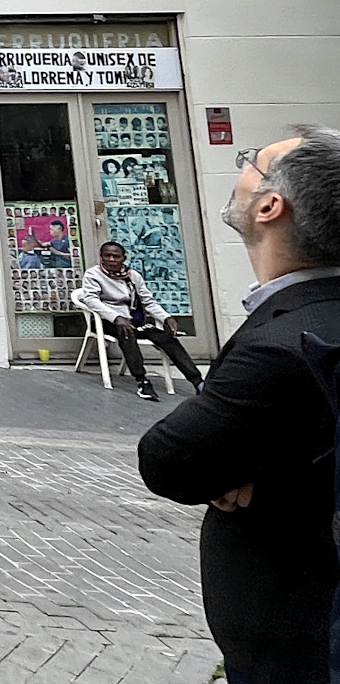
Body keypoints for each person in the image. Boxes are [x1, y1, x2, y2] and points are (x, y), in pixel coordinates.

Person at [137, 126, 340, 684]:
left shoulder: (283, 347)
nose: (241, 167)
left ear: (271, 205)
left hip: (298, 645)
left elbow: (168, 460)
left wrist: (253, 470)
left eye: (252, 161)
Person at [80, 240, 204, 399]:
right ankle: (142, 381)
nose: (111, 259)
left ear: (123, 258)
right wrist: (116, 317)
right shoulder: (93, 274)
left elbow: (148, 301)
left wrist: (166, 317)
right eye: (107, 256)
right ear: (101, 257)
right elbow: (91, 300)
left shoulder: (133, 276)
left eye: (115, 256)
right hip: (106, 321)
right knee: (126, 332)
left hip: (134, 321)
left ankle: (198, 382)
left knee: (167, 337)